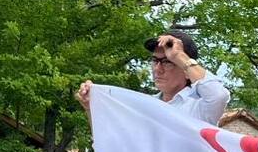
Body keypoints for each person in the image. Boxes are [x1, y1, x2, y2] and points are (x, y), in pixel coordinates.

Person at [77, 28, 231, 127]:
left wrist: (179, 56)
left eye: (167, 62)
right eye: (155, 60)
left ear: (185, 70)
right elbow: (112, 143)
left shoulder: (199, 108)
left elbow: (218, 96)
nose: (158, 69)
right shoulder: (143, 106)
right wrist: (91, 107)